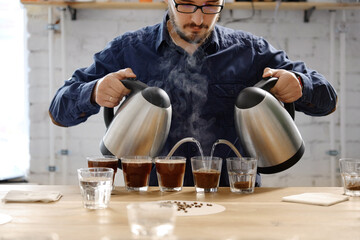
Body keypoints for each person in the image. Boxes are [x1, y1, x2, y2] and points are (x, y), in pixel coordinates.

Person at [49, 0, 337, 187]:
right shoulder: (128, 49)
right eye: (187, 4)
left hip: (235, 200)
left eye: (211, 5)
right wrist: (94, 91)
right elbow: (58, 111)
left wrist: (300, 84)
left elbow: (328, 100)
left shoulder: (251, 52)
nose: (198, 19)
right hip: (150, 198)